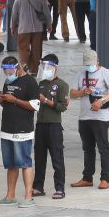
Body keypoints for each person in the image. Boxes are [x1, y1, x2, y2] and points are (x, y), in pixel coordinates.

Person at [70, 50, 109, 190]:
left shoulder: (105, 73)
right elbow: (72, 93)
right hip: (84, 116)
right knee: (87, 148)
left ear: (97, 62)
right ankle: (87, 177)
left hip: (100, 118)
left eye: (91, 64)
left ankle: (105, 178)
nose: (89, 67)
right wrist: (82, 92)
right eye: (87, 65)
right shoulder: (81, 74)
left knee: (103, 147)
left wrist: (102, 101)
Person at [0, 56, 40, 207]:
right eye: (5, 71)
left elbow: (35, 106)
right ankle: (10, 195)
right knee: (11, 164)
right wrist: (2, 100)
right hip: (7, 128)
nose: (8, 74)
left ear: (17, 67)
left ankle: (28, 196)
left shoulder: (30, 82)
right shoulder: (8, 81)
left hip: (22, 130)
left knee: (24, 162)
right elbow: (7, 104)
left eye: (9, 70)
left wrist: (14, 100)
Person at [32, 54, 69, 199]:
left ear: (55, 68)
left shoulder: (62, 85)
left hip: (54, 126)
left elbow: (62, 106)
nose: (45, 70)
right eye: (43, 67)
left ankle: (59, 188)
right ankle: (38, 187)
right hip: (40, 125)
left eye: (48, 67)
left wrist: (46, 100)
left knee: (57, 158)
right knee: (39, 158)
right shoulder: (40, 83)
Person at [9, 0, 51, 76]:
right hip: (38, 29)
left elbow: (14, 14)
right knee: (36, 49)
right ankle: (34, 71)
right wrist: (49, 24)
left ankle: (24, 69)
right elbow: (47, 13)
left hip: (23, 28)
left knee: (23, 49)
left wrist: (12, 26)